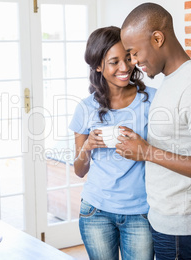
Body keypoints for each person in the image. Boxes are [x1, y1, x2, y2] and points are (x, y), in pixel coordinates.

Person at [115, 3, 191, 260]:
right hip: (168, 218)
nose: (134, 62)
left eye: (134, 53)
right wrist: (141, 145)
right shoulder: (171, 81)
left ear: (158, 38)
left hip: (184, 223)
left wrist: (147, 152)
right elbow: (177, 143)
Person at [69, 26, 156, 260]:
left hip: (141, 212)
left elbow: (167, 154)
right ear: (98, 65)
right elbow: (79, 170)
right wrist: (88, 145)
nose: (125, 67)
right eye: (114, 62)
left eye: (128, 58)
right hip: (96, 211)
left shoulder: (153, 101)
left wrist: (143, 147)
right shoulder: (86, 108)